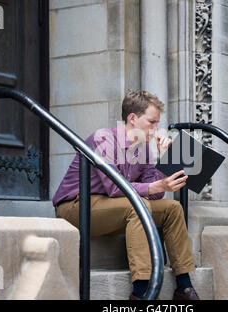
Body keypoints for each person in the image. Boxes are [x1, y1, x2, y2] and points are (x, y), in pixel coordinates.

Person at [53, 91, 199, 300]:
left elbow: (154, 194)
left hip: (112, 207)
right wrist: (156, 186)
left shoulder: (145, 149)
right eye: (151, 122)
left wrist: (163, 161)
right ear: (132, 118)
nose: (156, 128)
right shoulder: (104, 139)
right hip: (76, 207)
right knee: (137, 206)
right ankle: (142, 292)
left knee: (172, 209)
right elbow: (115, 189)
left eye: (157, 123)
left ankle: (184, 286)